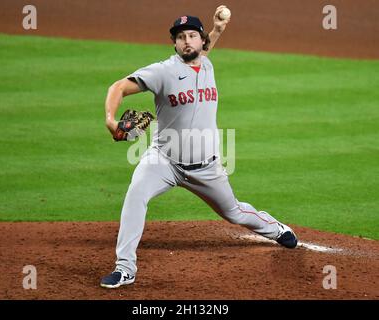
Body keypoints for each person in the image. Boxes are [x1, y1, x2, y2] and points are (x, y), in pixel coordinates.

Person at [101, 6, 298, 289]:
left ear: (201, 40)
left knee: (234, 212)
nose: (186, 41)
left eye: (192, 35)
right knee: (135, 196)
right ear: (174, 43)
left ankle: (276, 229)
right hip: (163, 161)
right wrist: (110, 120)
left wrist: (218, 29)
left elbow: (203, 52)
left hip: (206, 167)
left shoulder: (206, 64)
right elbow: (118, 87)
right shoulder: (162, 72)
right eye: (180, 37)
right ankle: (124, 268)